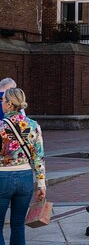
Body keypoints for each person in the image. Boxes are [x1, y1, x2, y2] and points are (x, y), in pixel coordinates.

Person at [0, 88, 46, 245]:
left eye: (3, 101)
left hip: (2, 177)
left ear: (9, 104)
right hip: (25, 178)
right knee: (18, 225)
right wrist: (41, 184)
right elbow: (39, 157)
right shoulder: (33, 125)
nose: (2, 104)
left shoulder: (0, 127)